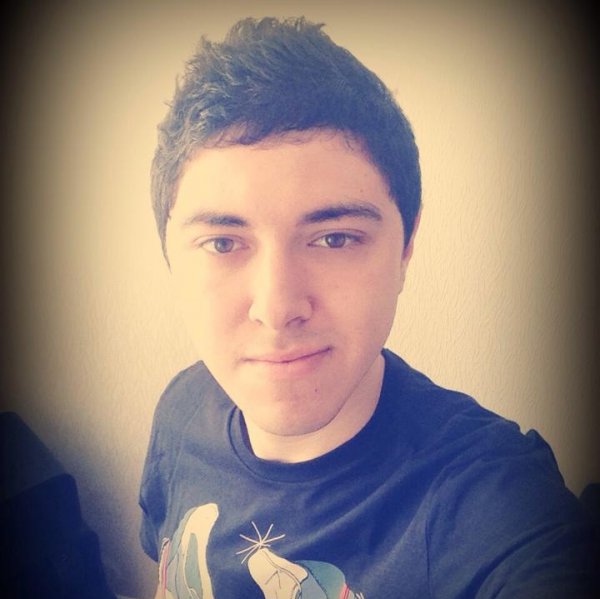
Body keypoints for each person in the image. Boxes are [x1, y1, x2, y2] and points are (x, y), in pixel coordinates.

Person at [139, 16, 597, 598]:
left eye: (334, 239)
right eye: (223, 244)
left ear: (406, 247)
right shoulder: (180, 410)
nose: (277, 309)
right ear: (171, 257)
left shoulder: (491, 503)